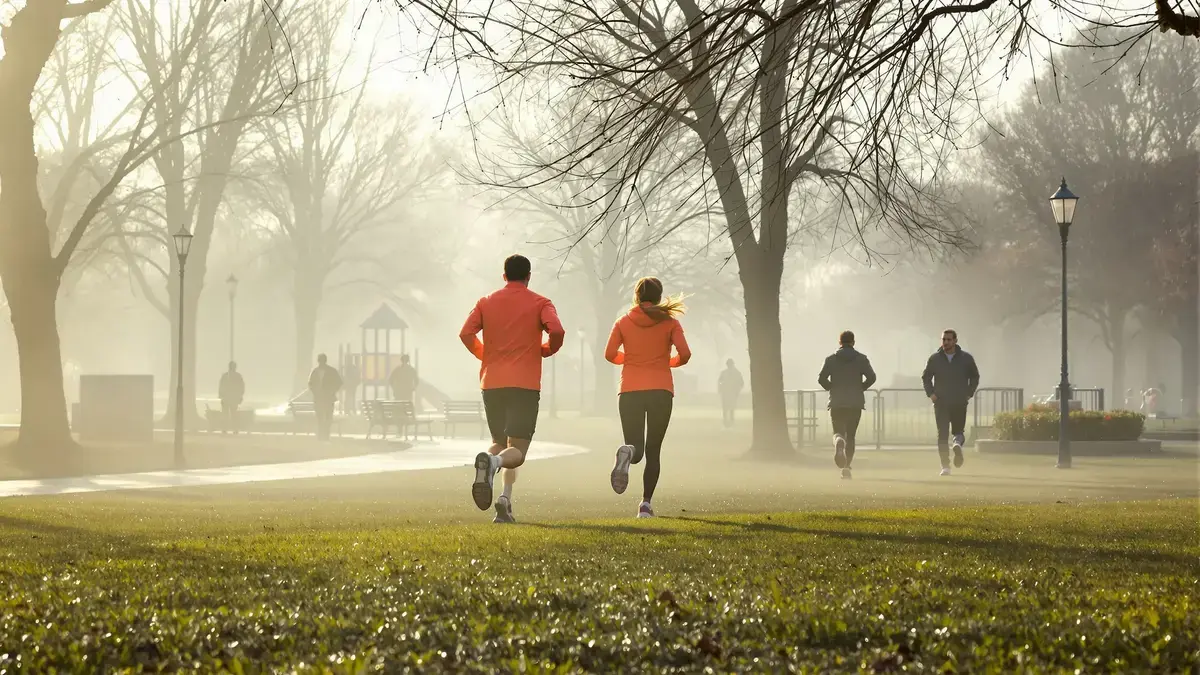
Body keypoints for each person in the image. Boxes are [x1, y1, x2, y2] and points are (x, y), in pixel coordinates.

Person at [460, 254, 565, 523]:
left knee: (499, 444)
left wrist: (486, 355)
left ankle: (505, 500)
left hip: (492, 382)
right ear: (528, 276)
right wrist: (545, 350)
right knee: (516, 453)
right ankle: (492, 464)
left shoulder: (485, 302)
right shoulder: (541, 302)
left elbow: (466, 333)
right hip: (524, 384)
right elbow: (557, 331)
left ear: (504, 276)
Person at [605, 277, 691, 519]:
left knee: (637, 449)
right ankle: (645, 505)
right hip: (661, 391)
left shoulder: (623, 322)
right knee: (654, 451)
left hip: (630, 390)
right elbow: (685, 353)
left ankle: (627, 454)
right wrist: (670, 362)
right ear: (659, 295)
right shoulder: (670, 323)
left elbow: (609, 353)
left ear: (636, 296)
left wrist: (630, 360)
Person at [817, 331, 876, 479]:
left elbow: (821, 378)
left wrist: (831, 387)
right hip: (855, 402)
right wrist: (861, 387)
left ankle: (838, 442)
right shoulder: (861, 359)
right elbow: (872, 377)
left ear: (840, 342)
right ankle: (846, 468)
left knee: (838, 432)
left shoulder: (831, 359)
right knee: (851, 436)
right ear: (853, 342)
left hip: (837, 402)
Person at [921, 329, 980, 476]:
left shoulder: (966, 358)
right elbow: (926, 377)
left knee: (958, 431)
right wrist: (931, 394)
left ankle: (957, 445)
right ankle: (945, 466)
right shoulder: (935, 359)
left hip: (959, 400)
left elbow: (975, 377)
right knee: (942, 434)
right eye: (943, 340)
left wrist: (968, 393)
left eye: (948, 340)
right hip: (941, 402)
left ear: (955, 341)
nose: (945, 342)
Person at [308, 353, 343, 441]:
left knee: (327, 417)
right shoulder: (316, 371)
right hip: (319, 398)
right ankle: (321, 436)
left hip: (327, 398)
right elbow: (310, 384)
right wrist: (315, 391)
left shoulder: (328, 371)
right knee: (321, 418)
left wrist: (332, 391)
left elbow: (339, 382)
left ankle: (325, 436)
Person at [218, 361, 245, 435]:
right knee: (233, 414)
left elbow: (221, 386)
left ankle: (225, 429)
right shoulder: (237, 376)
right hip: (232, 398)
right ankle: (234, 429)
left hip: (228, 398)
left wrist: (221, 396)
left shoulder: (226, 376)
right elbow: (241, 387)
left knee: (227, 414)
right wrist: (240, 396)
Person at [717, 359, 744, 428]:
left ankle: (729, 420)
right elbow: (720, 381)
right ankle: (727, 420)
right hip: (728, 392)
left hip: (731, 392)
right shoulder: (735, 373)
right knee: (727, 407)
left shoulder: (734, 373)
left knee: (729, 407)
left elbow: (741, 383)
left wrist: (737, 390)